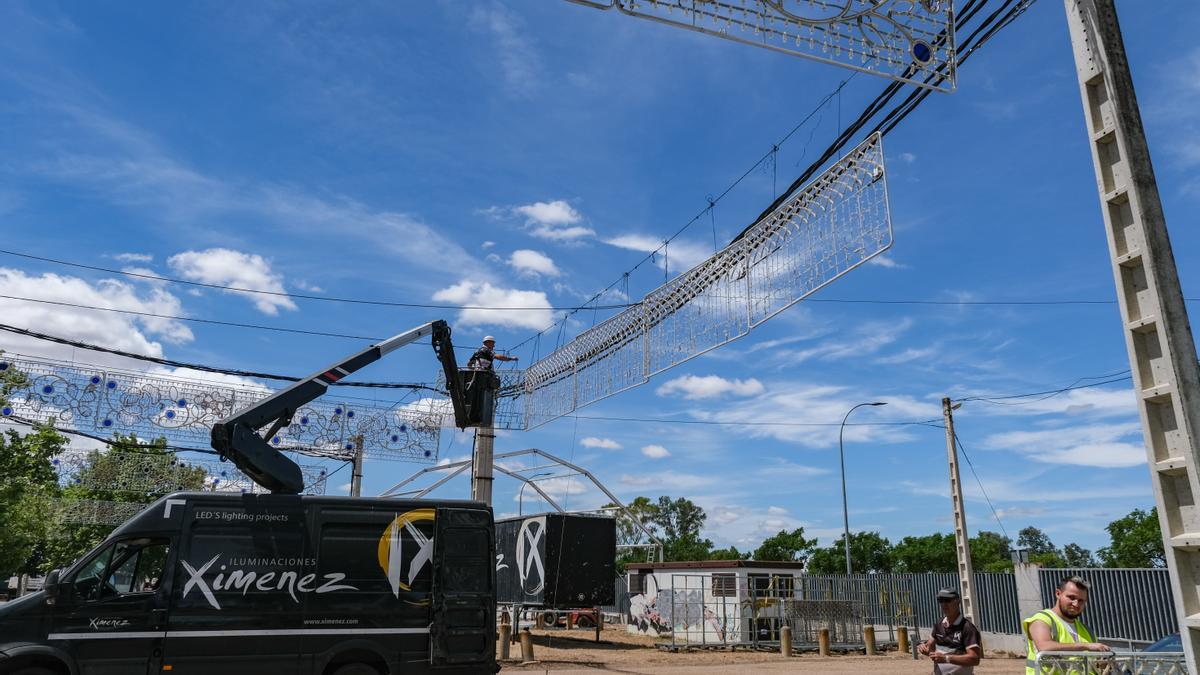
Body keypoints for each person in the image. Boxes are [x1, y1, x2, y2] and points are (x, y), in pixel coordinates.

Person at [1023, 576, 1111, 674]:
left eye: (1081, 600)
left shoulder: (1087, 631)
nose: (1076, 604)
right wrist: (1086, 646)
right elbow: (1044, 646)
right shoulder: (1042, 619)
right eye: (1071, 597)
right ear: (1058, 594)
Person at [917, 587, 982, 674]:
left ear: (958, 601)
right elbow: (930, 646)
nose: (944, 604)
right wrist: (924, 648)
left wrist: (946, 658)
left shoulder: (967, 628)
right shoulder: (939, 624)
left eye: (947, 600)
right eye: (940, 600)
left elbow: (975, 659)